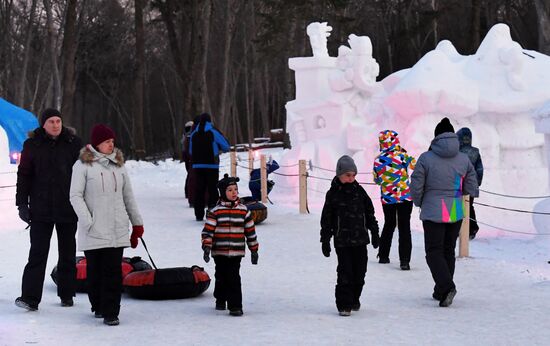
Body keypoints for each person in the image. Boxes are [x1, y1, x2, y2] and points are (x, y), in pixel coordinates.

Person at [69, 124, 144, 326]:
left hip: (117, 228)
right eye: (107, 142)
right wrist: (88, 221)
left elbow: (128, 196)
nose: (111, 145)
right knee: (95, 272)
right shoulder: (82, 166)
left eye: (112, 141)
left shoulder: (119, 166)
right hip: (94, 228)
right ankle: (98, 305)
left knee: (112, 271)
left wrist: (137, 224)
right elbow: (75, 196)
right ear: (97, 144)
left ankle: (112, 312)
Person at [15, 108, 82, 311]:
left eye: (58, 121)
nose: (55, 125)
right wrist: (22, 204)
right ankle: (30, 298)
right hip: (40, 209)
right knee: (37, 254)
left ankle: (67, 293)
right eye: (51, 121)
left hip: (68, 208)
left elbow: (83, 175)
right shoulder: (32, 145)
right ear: (43, 124)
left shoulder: (73, 144)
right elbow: (24, 175)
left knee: (68, 254)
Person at [410, 117, 478, 307]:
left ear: (436, 137)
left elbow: (416, 184)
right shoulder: (463, 158)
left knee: (433, 251)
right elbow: (471, 182)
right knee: (447, 250)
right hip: (455, 209)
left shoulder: (426, 158)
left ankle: (447, 286)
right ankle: (441, 290)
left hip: (433, 209)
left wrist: (419, 201)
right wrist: (463, 193)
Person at [320, 155, 380, 316]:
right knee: (345, 272)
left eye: (353, 175)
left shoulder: (359, 191)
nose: (351, 178)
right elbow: (326, 219)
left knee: (360, 273)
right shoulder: (333, 194)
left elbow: (369, 213)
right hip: (343, 241)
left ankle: (354, 298)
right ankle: (344, 304)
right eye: (347, 175)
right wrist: (325, 239)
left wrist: (374, 232)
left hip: (360, 240)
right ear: (339, 174)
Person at [201, 174, 259, 316]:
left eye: (235, 189)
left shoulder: (244, 211)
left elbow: (250, 231)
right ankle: (220, 299)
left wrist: (254, 249)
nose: (234, 193)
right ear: (223, 193)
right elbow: (208, 231)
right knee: (221, 275)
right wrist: (207, 247)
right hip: (219, 251)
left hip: (236, 252)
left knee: (233, 277)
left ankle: (235, 306)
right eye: (230, 190)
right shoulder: (216, 211)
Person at [373, 130, 416, 270]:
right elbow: (415, 165)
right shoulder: (402, 156)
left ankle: (383, 256)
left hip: (387, 198)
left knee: (389, 224)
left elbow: (377, 180)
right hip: (404, 197)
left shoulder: (378, 160)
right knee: (404, 227)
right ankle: (404, 261)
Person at [189, 113, 230, 221]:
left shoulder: (194, 134)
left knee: (200, 189)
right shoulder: (213, 132)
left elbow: (190, 151)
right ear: (209, 121)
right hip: (212, 164)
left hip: (198, 165)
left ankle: (198, 214)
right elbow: (226, 146)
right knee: (212, 188)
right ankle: (212, 212)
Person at [456, 127, 483, 240]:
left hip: (457, 184)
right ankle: (472, 228)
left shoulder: (456, 152)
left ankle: (457, 229)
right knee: (469, 206)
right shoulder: (475, 151)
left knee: (457, 206)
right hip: (471, 185)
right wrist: (477, 183)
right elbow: (480, 169)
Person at [181, 120, 195, 207]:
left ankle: (187, 192)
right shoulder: (189, 135)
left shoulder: (185, 135)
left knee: (189, 173)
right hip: (189, 155)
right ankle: (188, 192)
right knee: (190, 173)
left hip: (186, 154)